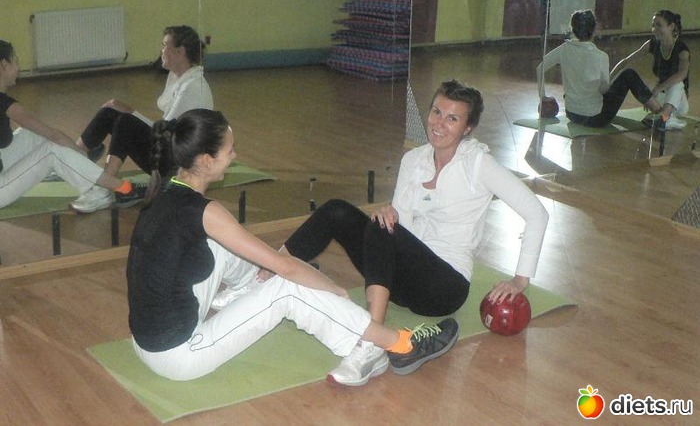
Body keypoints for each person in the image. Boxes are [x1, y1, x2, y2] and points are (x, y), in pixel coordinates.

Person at [214, 79, 548, 369]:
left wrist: (519, 280)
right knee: (338, 211)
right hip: (400, 280)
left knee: (380, 225)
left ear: (468, 127)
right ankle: (264, 276)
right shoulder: (413, 159)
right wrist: (390, 214)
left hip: (443, 287)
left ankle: (371, 340)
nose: (439, 124)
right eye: (436, 112)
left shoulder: (480, 165)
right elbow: (398, 224)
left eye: (452, 118)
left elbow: (537, 213)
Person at [126, 108, 459, 387]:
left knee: (221, 246)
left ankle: (250, 286)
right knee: (287, 289)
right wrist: (331, 288)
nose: (235, 156)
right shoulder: (204, 211)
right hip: (178, 354)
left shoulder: (165, 192)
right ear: (206, 160)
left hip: (147, 340)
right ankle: (400, 344)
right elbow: (285, 267)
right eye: (229, 151)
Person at [70, 25, 213, 213]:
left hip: (183, 167)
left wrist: (131, 112)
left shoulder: (193, 86)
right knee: (109, 113)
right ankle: (72, 157)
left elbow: (163, 131)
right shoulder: (178, 77)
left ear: (180, 52)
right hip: (172, 148)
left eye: (165, 46)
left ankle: (103, 188)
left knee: (126, 122)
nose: (161, 51)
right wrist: (127, 111)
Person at [0, 40, 144, 211]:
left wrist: (77, 156)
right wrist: (80, 154)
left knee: (31, 134)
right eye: (15, 61)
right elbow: (54, 136)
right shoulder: (7, 105)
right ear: (3, 65)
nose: (18, 66)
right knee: (53, 151)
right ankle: (120, 188)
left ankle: (66, 167)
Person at [536, 9, 663, 128]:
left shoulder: (563, 49)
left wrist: (543, 97)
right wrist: (612, 80)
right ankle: (660, 113)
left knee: (576, 87)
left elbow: (539, 68)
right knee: (629, 74)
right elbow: (604, 90)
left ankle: (655, 109)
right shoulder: (601, 56)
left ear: (573, 29)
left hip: (572, 115)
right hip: (596, 119)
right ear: (594, 29)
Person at [611, 10, 689, 131]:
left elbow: (682, 74)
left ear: (671, 26)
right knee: (638, 80)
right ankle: (663, 117)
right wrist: (609, 79)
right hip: (662, 98)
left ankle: (664, 118)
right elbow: (626, 61)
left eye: (659, 25)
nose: (654, 29)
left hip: (678, 103)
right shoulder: (652, 44)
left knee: (677, 83)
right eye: (653, 25)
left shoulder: (682, 49)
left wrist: (658, 88)